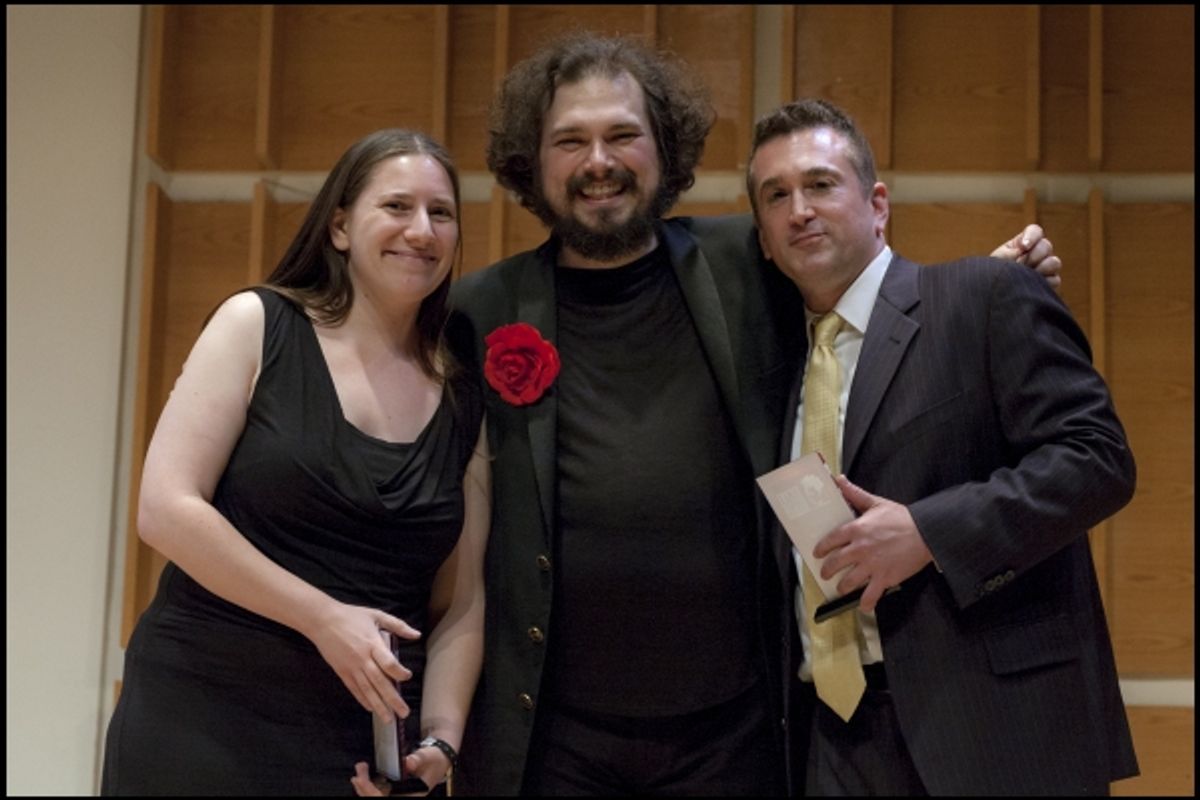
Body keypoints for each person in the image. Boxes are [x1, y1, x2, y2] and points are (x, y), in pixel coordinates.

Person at [429, 33, 1065, 797]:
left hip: (736, 730)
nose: (598, 161)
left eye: (623, 135)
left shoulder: (745, 260)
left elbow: (875, 308)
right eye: (570, 141)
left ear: (664, 148)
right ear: (532, 162)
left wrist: (984, 293)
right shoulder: (481, 309)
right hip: (552, 736)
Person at [746, 98, 1138, 795]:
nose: (799, 209)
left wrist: (928, 532)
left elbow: (1097, 458)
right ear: (764, 241)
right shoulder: (772, 368)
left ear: (878, 206)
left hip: (991, 728)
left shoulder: (981, 296)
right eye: (777, 196)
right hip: (831, 738)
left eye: (820, 184)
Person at [102, 129, 490, 796]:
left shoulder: (462, 386)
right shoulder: (255, 323)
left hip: (349, 745)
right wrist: (322, 617)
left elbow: (462, 600)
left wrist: (439, 739)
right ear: (339, 227)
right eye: (397, 206)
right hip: (200, 713)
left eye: (441, 212)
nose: (421, 230)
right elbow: (165, 509)